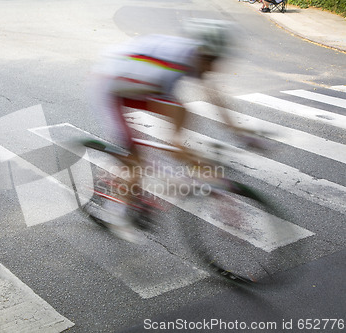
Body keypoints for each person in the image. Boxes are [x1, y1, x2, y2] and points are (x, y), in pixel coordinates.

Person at [87, 19, 251, 242]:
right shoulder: (170, 70)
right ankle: (114, 215)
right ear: (202, 54)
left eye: (218, 60)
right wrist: (198, 168)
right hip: (111, 87)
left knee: (182, 113)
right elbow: (174, 143)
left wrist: (239, 132)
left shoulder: (193, 57)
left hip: (137, 83)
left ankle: (129, 171)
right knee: (137, 159)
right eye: (213, 60)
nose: (215, 67)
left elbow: (213, 96)